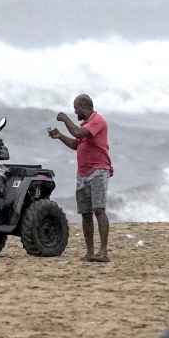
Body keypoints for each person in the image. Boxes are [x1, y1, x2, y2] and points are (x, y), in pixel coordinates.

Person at [48, 94, 113, 262]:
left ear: (84, 107)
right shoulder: (86, 125)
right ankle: (90, 252)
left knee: (99, 210)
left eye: (76, 108)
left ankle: (103, 252)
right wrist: (60, 136)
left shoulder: (98, 121)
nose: (75, 111)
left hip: (98, 171)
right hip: (83, 173)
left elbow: (77, 131)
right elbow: (76, 144)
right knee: (85, 213)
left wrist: (65, 119)